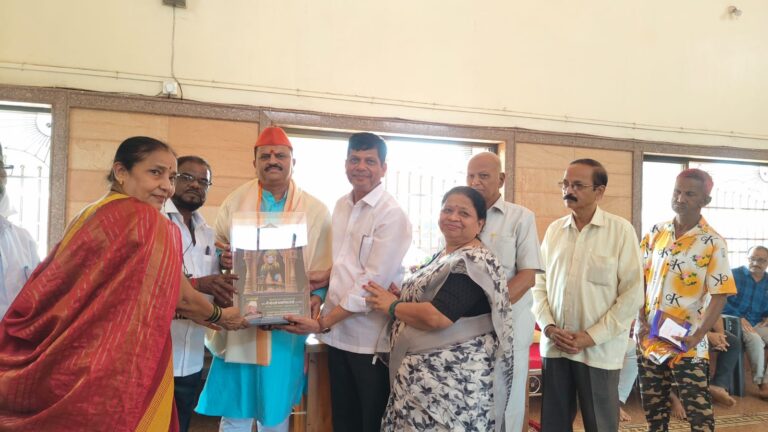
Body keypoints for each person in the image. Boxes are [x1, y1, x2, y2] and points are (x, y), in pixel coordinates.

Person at [0, 136, 247, 431]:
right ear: (121, 171)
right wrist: (222, 317)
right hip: (115, 362)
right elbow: (180, 297)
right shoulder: (147, 220)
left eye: (170, 176)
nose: (166, 186)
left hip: (69, 357)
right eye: (155, 173)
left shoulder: (90, 214)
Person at [196, 126, 333, 432]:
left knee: (275, 408)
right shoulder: (235, 201)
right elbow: (215, 249)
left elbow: (326, 266)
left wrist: (317, 297)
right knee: (236, 408)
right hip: (241, 321)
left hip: (286, 323)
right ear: (254, 163)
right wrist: (222, 258)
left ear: (293, 162)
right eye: (265, 156)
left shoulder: (316, 210)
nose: (273, 161)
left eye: (280, 155)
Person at [281, 132, 411, 432]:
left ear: (383, 168)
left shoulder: (391, 215)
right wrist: (323, 278)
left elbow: (371, 284)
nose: (361, 167)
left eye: (370, 161)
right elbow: (345, 261)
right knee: (343, 418)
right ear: (345, 164)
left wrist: (323, 323)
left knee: (372, 421)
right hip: (337, 336)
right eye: (355, 159)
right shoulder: (341, 205)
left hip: (370, 341)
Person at [362, 186, 514, 431]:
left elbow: (438, 316)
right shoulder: (444, 254)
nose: (453, 217)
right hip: (420, 381)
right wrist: (402, 296)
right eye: (448, 210)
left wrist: (392, 305)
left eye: (464, 213)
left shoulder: (475, 260)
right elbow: (431, 296)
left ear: (480, 224)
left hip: (452, 385)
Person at [532, 158, 644, 432]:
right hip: (556, 346)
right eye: (565, 184)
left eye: (578, 185)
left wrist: (590, 336)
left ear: (599, 191)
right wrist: (548, 327)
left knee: (600, 424)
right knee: (554, 425)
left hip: (599, 350)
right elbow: (538, 283)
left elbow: (632, 294)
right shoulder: (555, 231)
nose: (568, 190)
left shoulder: (620, 231)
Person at [636, 168, 736, 432]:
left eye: (689, 194)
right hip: (649, 336)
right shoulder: (656, 232)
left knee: (699, 414)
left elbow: (720, 294)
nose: (680, 198)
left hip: (687, 341)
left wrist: (699, 335)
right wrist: (639, 319)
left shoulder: (713, 242)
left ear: (705, 200)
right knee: (654, 413)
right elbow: (639, 278)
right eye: (677, 191)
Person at [466, 151, 542, 432]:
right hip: (466, 327)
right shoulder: (462, 216)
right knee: (472, 398)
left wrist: (488, 307)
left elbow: (527, 276)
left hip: (508, 326)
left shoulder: (520, 217)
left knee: (507, 401)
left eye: (483, 176)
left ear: (501, 179)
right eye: (470, 176)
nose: (475, 182)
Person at [163, 155, 238, 432]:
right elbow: (154, 285)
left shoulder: (207, 233)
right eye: (187, 177)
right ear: (172, 179)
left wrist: (228, 284)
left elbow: (215, 291)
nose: (196, 185)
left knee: (181, 425)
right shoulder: (156, 221)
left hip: (192, 355)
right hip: (158, 356)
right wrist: (201, 284)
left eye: (203, 181)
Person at [720, 245, 768, 399]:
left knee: (757, 335)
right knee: (755, 340)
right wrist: (739, 317)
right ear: (747, 259)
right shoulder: (733, 275)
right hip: (734, 322)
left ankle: (767, 381)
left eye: (761, 260)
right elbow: (720, 301)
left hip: (757, 323)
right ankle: (761, 384)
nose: (756, 263)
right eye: (752, 258)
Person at [0, 143, 40, 318]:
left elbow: (39, 294)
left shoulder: (23, 238)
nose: (2, 174)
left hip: (15, 334)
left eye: (2, 167)